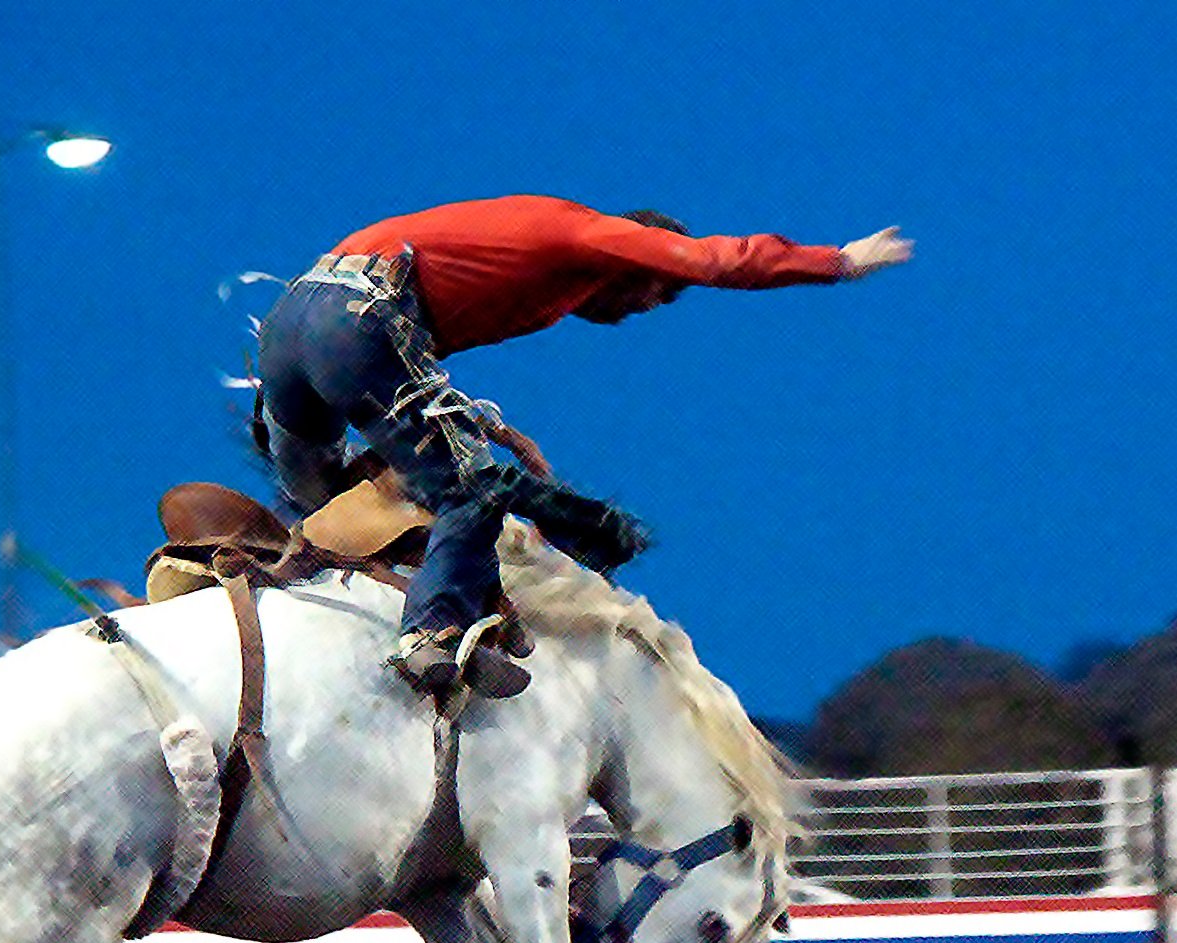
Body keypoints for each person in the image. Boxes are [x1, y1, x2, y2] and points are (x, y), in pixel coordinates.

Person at [254, 195, 913, 697]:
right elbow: (715, 260)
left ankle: (266, 602)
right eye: (659, 291)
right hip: (357, 320)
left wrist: (499, 431)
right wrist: (838, 262)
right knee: (470, 493)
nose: (646, 309)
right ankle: (431, 634)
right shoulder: (586, 233)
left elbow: (406, 367)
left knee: (317, 504)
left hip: (293, 323)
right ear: (638, 258)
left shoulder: (533, 270)